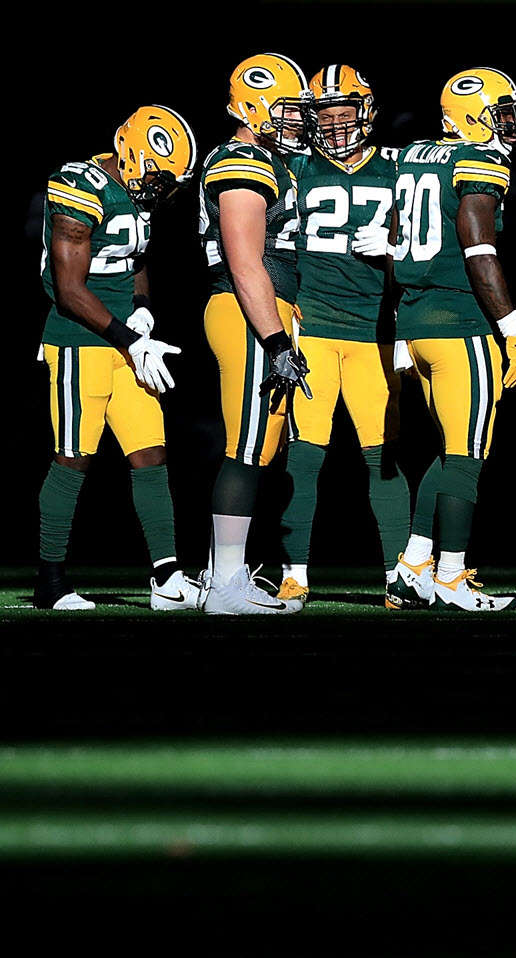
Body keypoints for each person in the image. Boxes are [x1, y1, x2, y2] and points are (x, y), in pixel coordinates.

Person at [35, 106, 202, 611]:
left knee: (150, 451)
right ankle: (51, 580)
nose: (162, 189)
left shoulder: (135, 194)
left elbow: (136, 261)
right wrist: (130, 338)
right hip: (79, 340)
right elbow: (68, 290)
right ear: (130, 153)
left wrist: (145, 312)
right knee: (74, 458)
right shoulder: (78, 184)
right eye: (156, 175)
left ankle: (166, 576)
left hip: (126, 340)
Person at [386, 67, 516, 612]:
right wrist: (513, 328)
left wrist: (401, 327)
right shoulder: (480, 160)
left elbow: (396, 241)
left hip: (417, 320)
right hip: (460, 322)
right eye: (502, 112)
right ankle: (451, 575)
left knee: (450, 451)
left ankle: (413, 567)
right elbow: (479, 251)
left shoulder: (414, 155)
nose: (511, 124)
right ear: (473, 114)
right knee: (468, 452)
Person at [277, 64, 408, 608]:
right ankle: (294, 573)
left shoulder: (400, 171)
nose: (332, 124)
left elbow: (435, 242)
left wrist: (398, 245)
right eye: (323, 115)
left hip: (375, 331)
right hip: (314, 327)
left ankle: (401, 575)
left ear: (365, 110)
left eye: (342, 112)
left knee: (384, 456)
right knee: (304, 457)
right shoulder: (294, 169)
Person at [197, 53, 312, 614]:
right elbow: (244, 261)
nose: (299, 120)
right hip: (246, 312)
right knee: (244, 446)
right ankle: (224, 587)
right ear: (254, 107)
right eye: (289, 110)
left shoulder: (268, 159)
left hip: (265, 311)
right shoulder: (242, 159)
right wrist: (274, 340)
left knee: (260, 446)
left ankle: (227, 572)